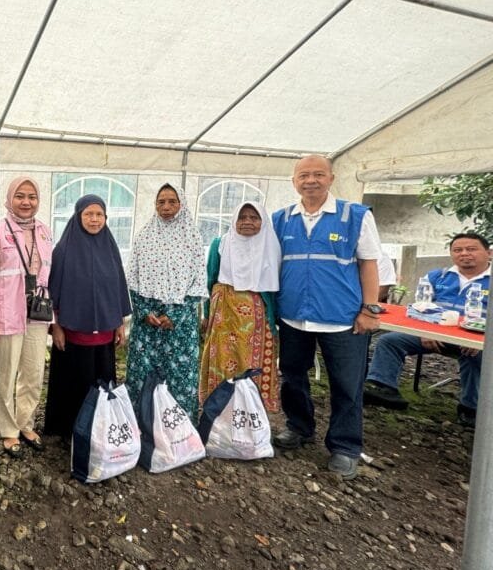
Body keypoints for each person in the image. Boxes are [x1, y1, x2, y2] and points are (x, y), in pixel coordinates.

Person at [272, 155, 382, 480]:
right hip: (293, 317)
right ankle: (298, 427)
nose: (311, 180)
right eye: (304, 175)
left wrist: (369, 309)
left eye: (318, 174)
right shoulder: (281, 219)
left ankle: (345, 447)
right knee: (292, 376)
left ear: (331, 178)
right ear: (294, 182)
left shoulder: (355, 216)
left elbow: (369, 264)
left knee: (347, 385)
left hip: (343, 319)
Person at [363, 232, 490, 426]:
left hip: (477, 342)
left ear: (488, 253)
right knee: (389, 341)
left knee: (479, 358)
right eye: (458, 250)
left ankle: (470, 409)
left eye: (471, 249)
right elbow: (420, 307)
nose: (464, 254)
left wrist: (483, 342)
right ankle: (384, 387)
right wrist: (424, 332)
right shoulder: (437, 276)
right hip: (433, 335)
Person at [44, 195, 131, 440]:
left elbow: (117, 287)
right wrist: (56, 327)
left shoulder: (110, 247)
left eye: (99, 215)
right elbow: (54, 291)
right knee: (75, 382)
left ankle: (102, 427)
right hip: (73, 334)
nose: (94, 219)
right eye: (88, 214)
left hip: (104, 333)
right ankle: (70, 430)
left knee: (101, 381)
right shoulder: (63, 250)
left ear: (105, 217)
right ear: (78, 216)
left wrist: (119, 324)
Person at [0, 177, 53, 457]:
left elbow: (48, 274)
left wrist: (52, 314)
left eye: (32, 197)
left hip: (37, 312)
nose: (26, 202)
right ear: (10, 199)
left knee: (33, 373)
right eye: (20, 196)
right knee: (5, 375)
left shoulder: (45, 232)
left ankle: (26, 423)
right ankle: (8, 430)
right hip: (6, 313)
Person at [125, 184, 207, 418]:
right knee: (143, 375)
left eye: (172, 201)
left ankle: (179, 433)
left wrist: (175, 317)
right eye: (161, 202)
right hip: (148, 322)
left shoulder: (192, 238)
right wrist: (144, 312)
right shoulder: (145, 235)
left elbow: (198, 283)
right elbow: (133, 279)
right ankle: (141, 427)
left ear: (182, 204)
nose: (166, 207)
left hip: (179, 322)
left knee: (179, 377)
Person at [200, 201, 281, 412]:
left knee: (252, 365)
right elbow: (209, 281)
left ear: (262, 222)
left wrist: (276, 319)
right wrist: (207, 313)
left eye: (254, 218)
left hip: (258, 318)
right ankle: (218, 410)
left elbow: (276, 288)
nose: (247, 222)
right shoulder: (220, 244)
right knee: (222, 360)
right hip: (223, 313)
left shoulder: (271, 246)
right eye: (242, 217)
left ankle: (252, 411)